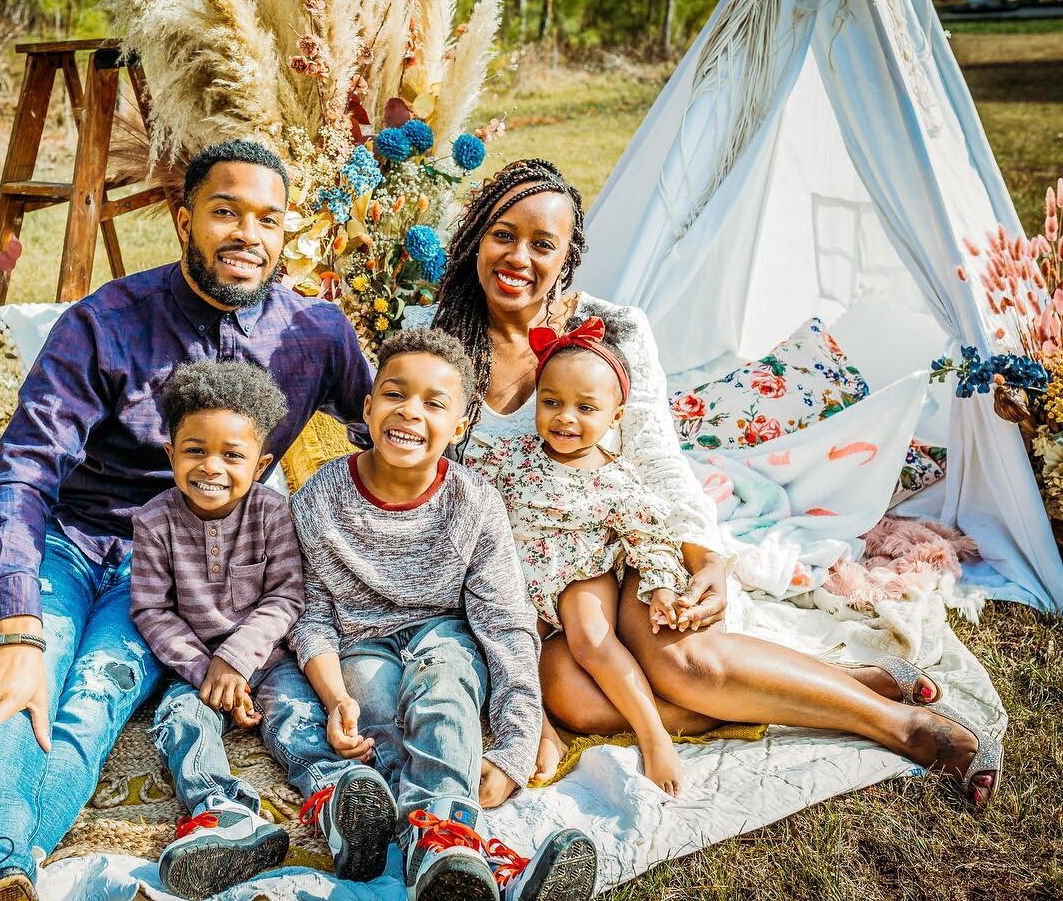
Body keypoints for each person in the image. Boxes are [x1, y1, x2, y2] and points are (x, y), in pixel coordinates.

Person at [425, 157, 1003, 812]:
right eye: (503, 234)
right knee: (577, 701)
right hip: (534, 581)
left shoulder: (614, 330)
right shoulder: (442, 346)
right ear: (477, 234)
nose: (518, 257)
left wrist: (706, 561)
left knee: (683, 664)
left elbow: (659, 460)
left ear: (569, 258)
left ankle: (900, 726)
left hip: (621, 540)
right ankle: (846, 683)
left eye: (542, 244)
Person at [0, 139, 377, 901]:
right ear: (184, 220)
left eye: (269, 220)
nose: (248, 235)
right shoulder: (106, 322)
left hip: (172, 567)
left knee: (91, 704)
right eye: (225, 212)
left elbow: (389, 430)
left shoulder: (315, 336)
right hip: (69, 539)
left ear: (287, 235)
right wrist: (16, 623)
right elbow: (23, 468)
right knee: (22, 682)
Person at [289, 328, 598, 901]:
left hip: (443, 632)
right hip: (361, 641)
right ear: (367, 405)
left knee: (444, 687)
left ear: (459, 426)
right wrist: (334, 700)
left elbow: (507, 628)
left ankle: (447, 842)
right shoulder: (317, 498)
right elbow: (310, 616)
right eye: (395, 394)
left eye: (435, 403)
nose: (410, 412)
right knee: (378, 725)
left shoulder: (475, 502)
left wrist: (512, 748)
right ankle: (473, 857)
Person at [132, 359, 395, 899]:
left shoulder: (274, 513)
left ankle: (338, 801)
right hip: (192, 670)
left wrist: (238, 661)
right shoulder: (153, 521)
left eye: (233, 455)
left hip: (270, 660)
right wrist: (209, 672)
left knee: (298, 714)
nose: (212, 467)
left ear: (261, 464)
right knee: (180, 721)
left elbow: (286, 595)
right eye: (194, 451)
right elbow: (151, 611)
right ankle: (223, 813)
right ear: (170, 455)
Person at [469, 316, 695, 797]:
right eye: (551, 402)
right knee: (501, 642)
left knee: (592, 636)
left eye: (585, 408)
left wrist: (659, 587)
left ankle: (654, 735)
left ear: (615, 417)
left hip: (581, 572)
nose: (565, 418)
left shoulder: (619, 479)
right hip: (520, 578)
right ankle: (540, 732)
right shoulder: (511, 456)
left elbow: (650, 537)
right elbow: (459, 466)